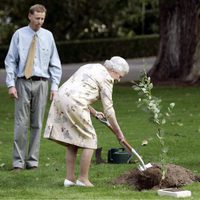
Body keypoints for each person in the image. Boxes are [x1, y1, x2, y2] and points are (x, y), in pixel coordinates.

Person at [44, 56, 129, 187]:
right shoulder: (107, 78)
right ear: (114, 70)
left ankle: (69, 179)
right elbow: (109, 110)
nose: (118, 79)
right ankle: (83, 179)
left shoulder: (90, 66)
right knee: (90, 140)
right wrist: (119, 133)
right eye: (120, 76)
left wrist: (94, 113)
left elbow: (77, 90)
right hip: (74, 102)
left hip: (60, 98)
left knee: (73, 141)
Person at [5, 4, 62, 170]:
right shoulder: (19, 35)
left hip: (42, 83)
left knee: (37, 123)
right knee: (21, 123)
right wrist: (10, 84)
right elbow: (10, 61)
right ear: (29, 16)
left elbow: (55, 63)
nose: (40, 22)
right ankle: (18, 162)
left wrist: (55, 87)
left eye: (42, 19)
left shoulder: (48, 36)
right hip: (22, 82)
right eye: (37, 18)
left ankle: (33, 161)